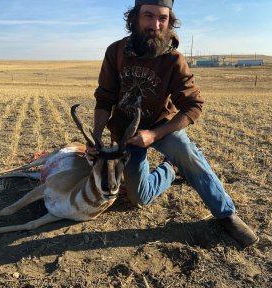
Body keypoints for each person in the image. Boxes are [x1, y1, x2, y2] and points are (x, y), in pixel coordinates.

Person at [87, 0, 259, 248]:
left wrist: (155, 135)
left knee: (187, 153)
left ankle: (226, 214)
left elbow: (193, 105)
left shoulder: (173, 59)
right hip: (127, 134)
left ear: (169, 21)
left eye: (162, 18)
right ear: (134, 18)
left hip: (162, 127)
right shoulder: (115, 52)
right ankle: (170, 169)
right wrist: (95, 138)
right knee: (139, 199)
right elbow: (104, 98)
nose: (155, 25)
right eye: (148, 16)